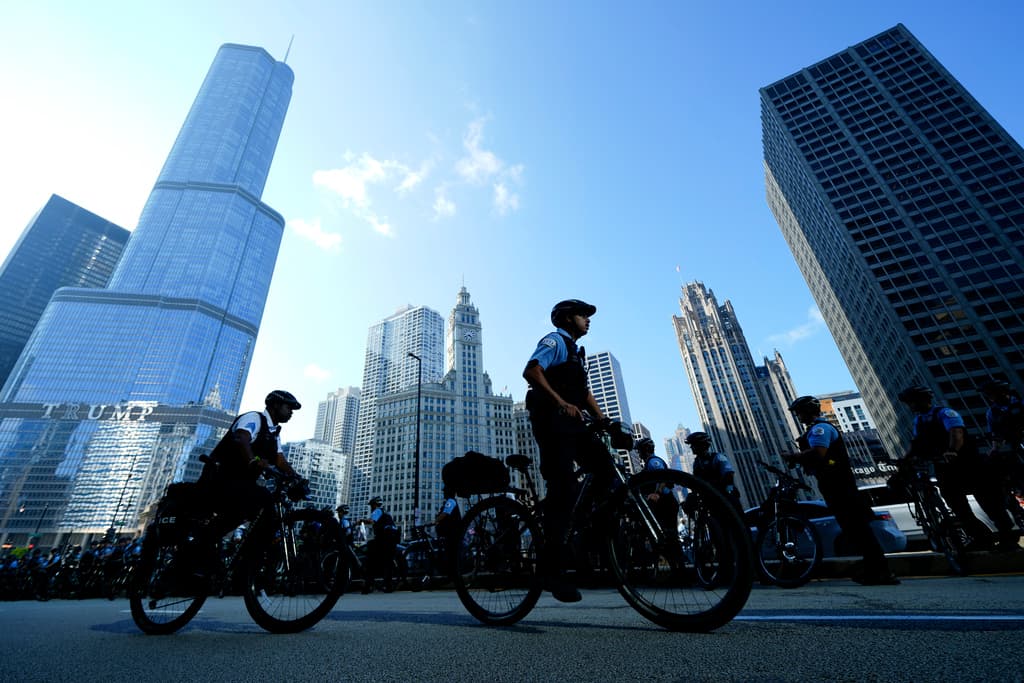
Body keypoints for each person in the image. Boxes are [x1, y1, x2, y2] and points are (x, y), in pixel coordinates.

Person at [523, 298, 606, 603]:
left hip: (573, 423)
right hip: (551, 421)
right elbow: (532, 371)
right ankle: (551, 570)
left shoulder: (575, 353)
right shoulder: (555, 341)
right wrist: (560, 402)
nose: (588, 319)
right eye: (583, 314)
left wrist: (603, 420)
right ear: (568, 318)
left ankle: (584, 536)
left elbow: (583, 393)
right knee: (563, 489)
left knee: (606, 471)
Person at [784, 395, 899, 585]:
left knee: (857, 528)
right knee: (854, 529)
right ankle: (875, 569)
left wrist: (793, 456)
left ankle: (881, 572)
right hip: (834, 484)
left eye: (799, 412)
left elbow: (819, 453)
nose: (798, 416)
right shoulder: (815, 429)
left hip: (839, 485)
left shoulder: (820, 429)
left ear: (807, 411)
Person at [898, 385, 1018, 552]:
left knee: (988, 501)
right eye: (909, 402)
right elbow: (916, 443)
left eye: (912, 402)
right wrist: (905, 460)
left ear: (923, 400)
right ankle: (981, 538)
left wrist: (952, 450)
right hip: (944, 468)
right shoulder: (919, 420)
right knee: (956, 505)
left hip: (968, 464)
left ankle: (1008, 538)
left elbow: (956, 433)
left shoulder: (945, 413)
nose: (910, 406)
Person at [199, 389, 303, 542]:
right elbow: (242, 438)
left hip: (243, 483)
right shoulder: (254, 418)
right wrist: (253, 460)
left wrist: (297, 478)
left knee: (255, 511)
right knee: (263, 501)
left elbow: (280, 460)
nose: (291, 412)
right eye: (288, 407)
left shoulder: (274, 433)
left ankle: (219, 543)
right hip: (221, 476)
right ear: (275, 405)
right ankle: (207, 542)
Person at [685, 432, 743, 513]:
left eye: (693, 445)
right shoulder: (697, 463)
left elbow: (729, 475)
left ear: (702, 445)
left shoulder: (718, 458)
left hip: (724, 496)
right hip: (709, 499)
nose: (691, 447)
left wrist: (724, 488)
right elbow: (696, 480)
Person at [359, 496, 399, 593]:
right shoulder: (386, 512)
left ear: (375, 505)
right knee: (388, 563)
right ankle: (388, 586)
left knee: (371, 560)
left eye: (371, 505)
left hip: (383, 539)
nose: (371, 508)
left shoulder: (377, 511)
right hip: (392, 539)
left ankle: (368, 586)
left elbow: (372, 521)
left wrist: (361, 521)